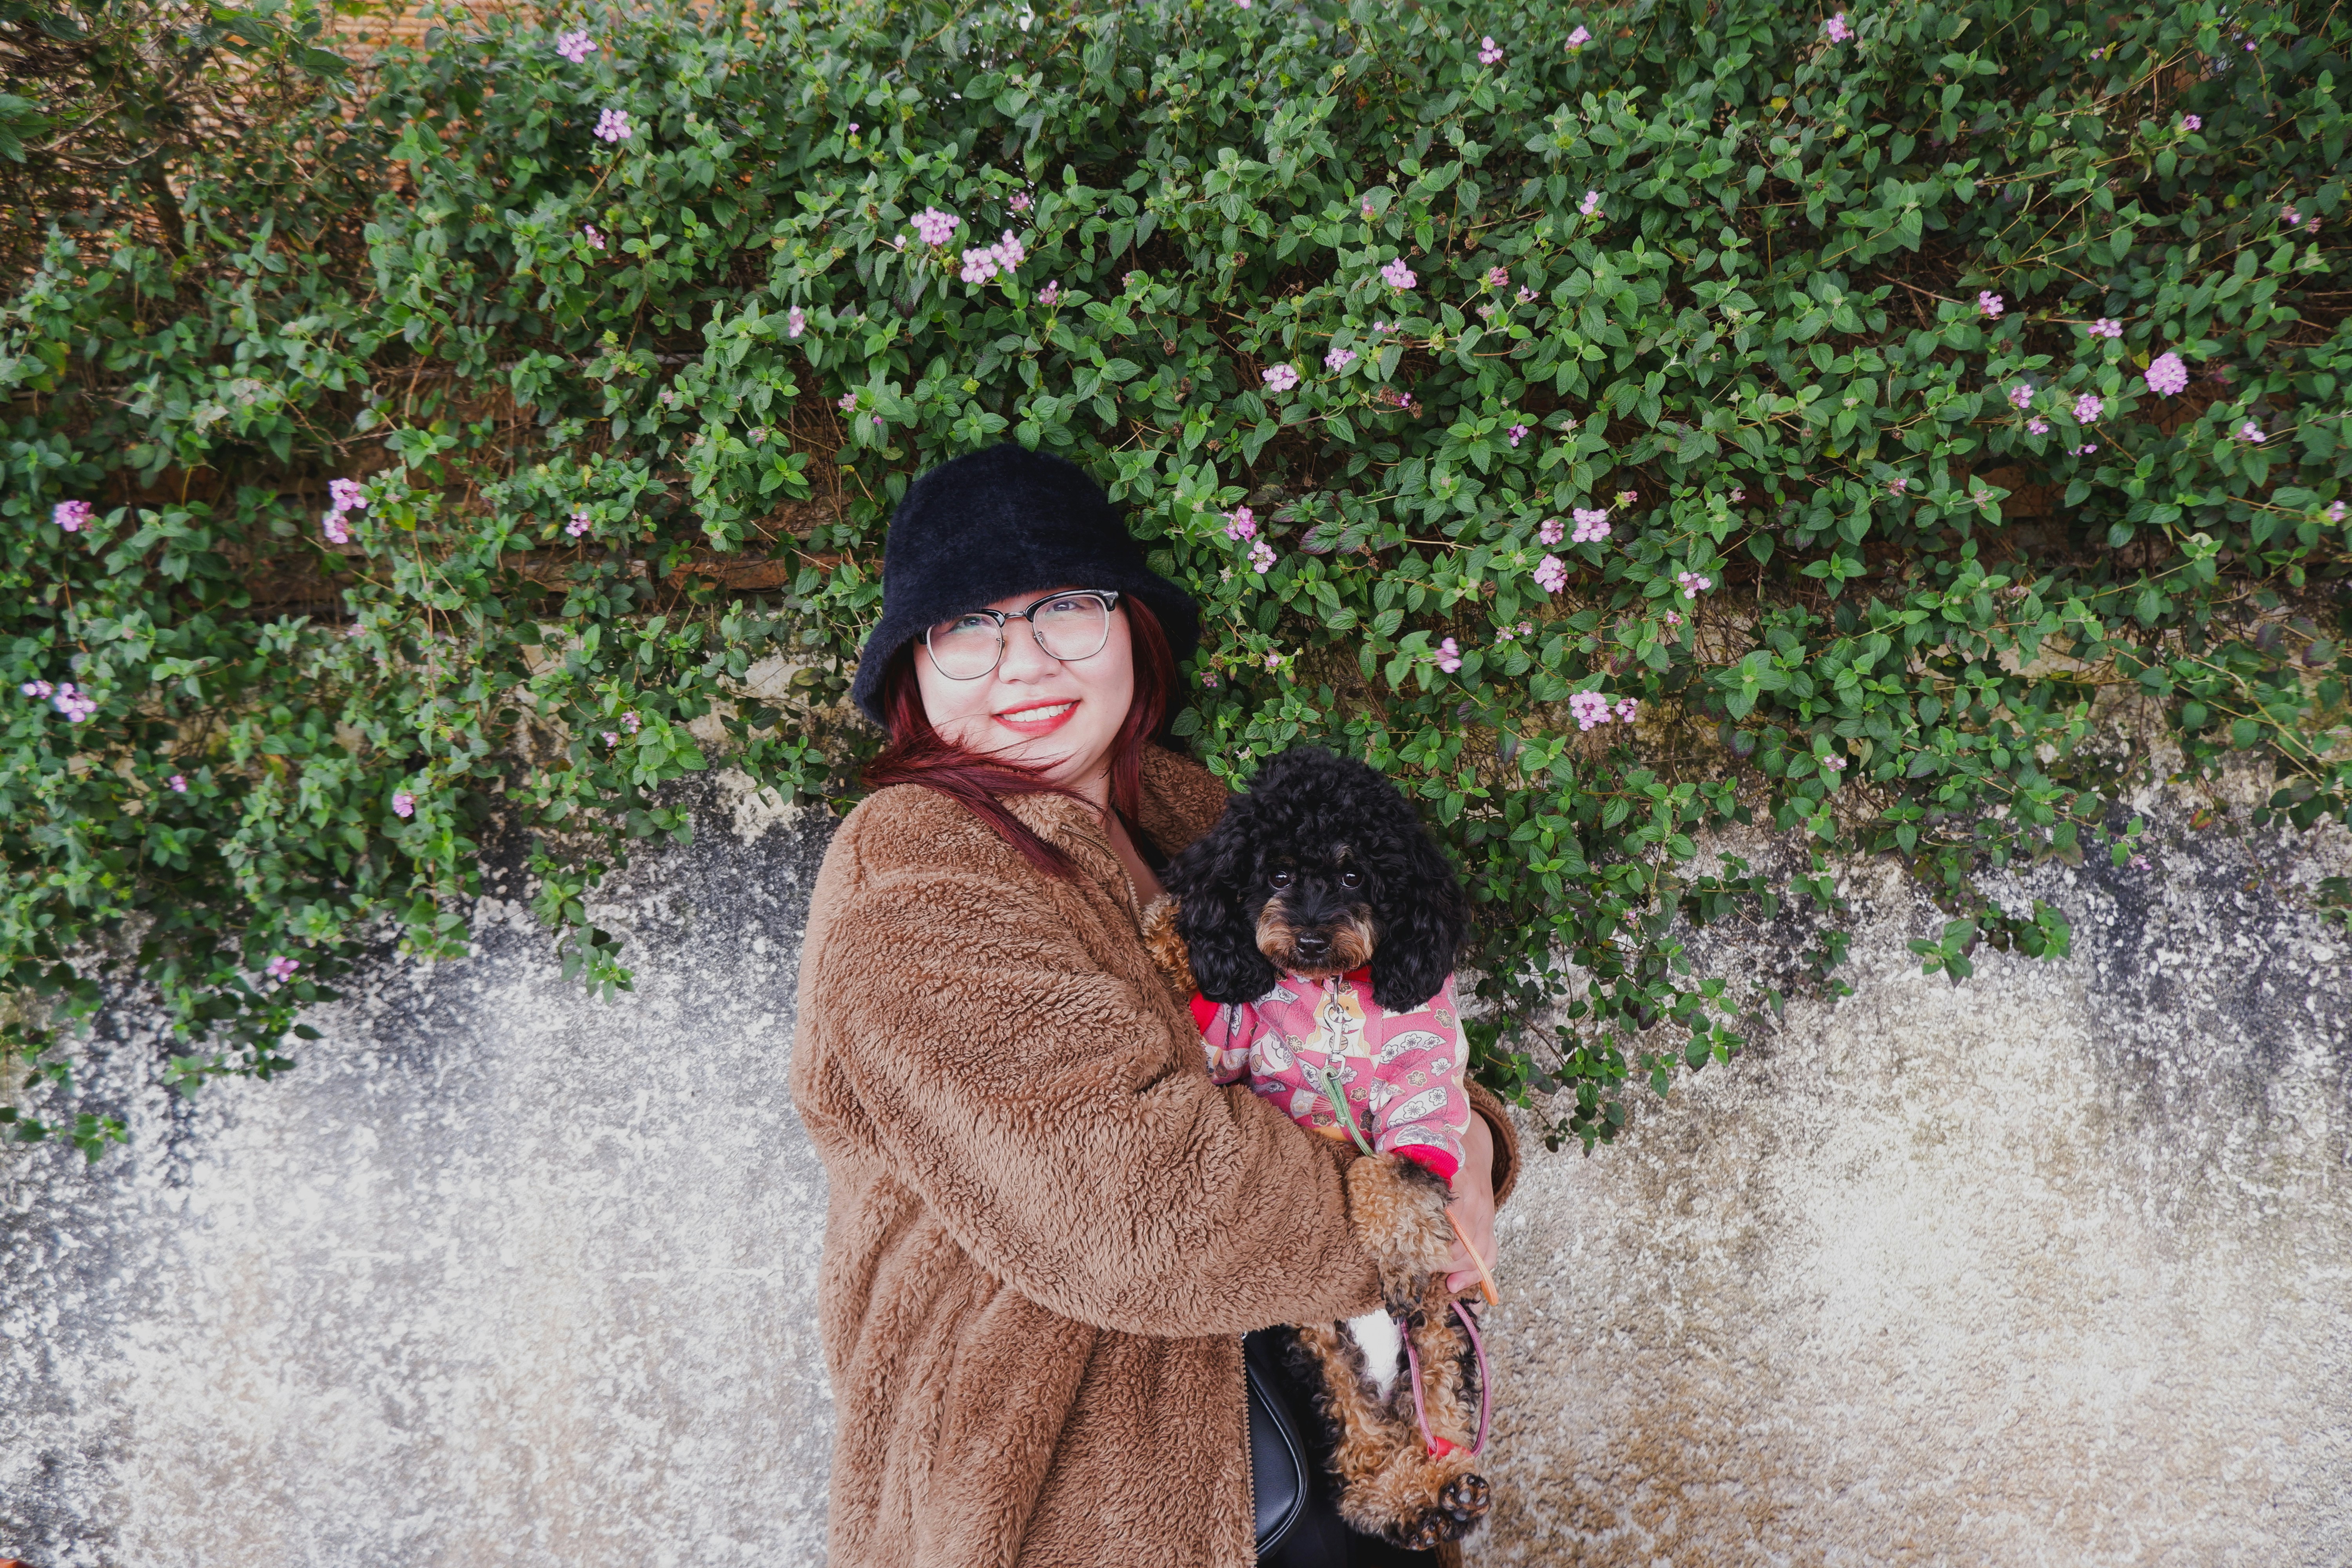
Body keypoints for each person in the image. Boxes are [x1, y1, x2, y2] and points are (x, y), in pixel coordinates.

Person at [790, 444, 1518, 1567]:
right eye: (967, 630)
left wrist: (1465, 1132)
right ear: (911, 675)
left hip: (1318, 1446)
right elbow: (1134, 1199)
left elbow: (1362, 1032)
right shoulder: (917, 869)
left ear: (1134, 627)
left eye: (1065, 610)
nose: (1024, 665)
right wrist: (1409, 1202)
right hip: (1075, 1494)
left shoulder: (1196, 819)